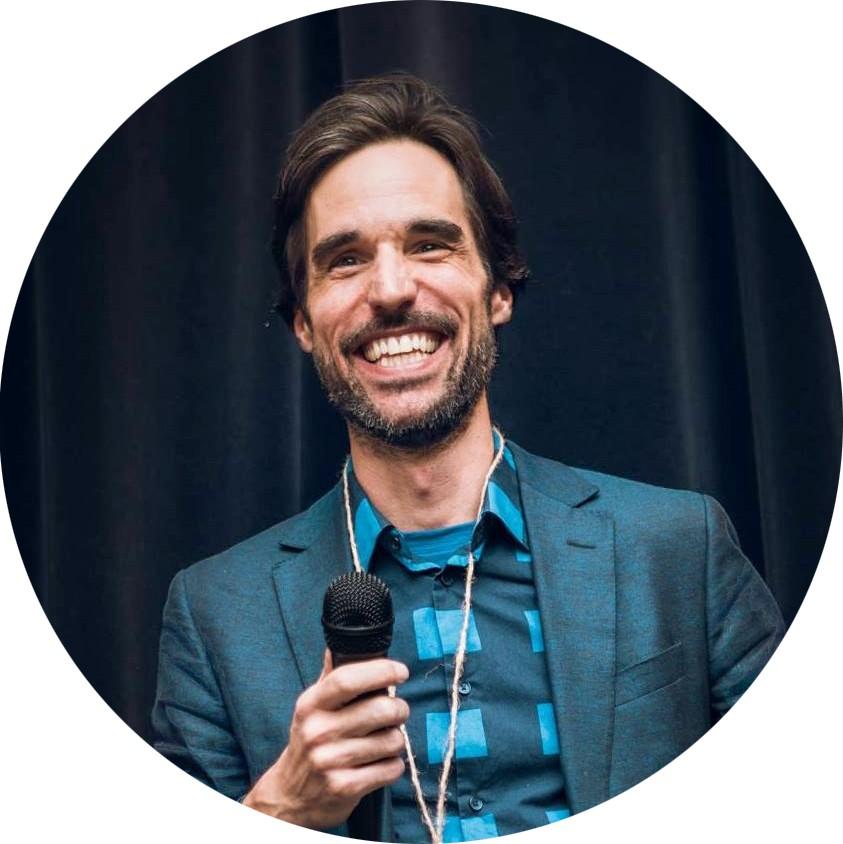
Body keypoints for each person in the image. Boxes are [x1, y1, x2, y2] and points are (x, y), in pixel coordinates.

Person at [152, 74, 785, 843]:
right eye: (344, 259)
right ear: (303, 325)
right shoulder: (214, 615)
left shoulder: (678, 547)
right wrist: (283, 810)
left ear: (498, 289)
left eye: (429, 244)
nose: (391, 289)